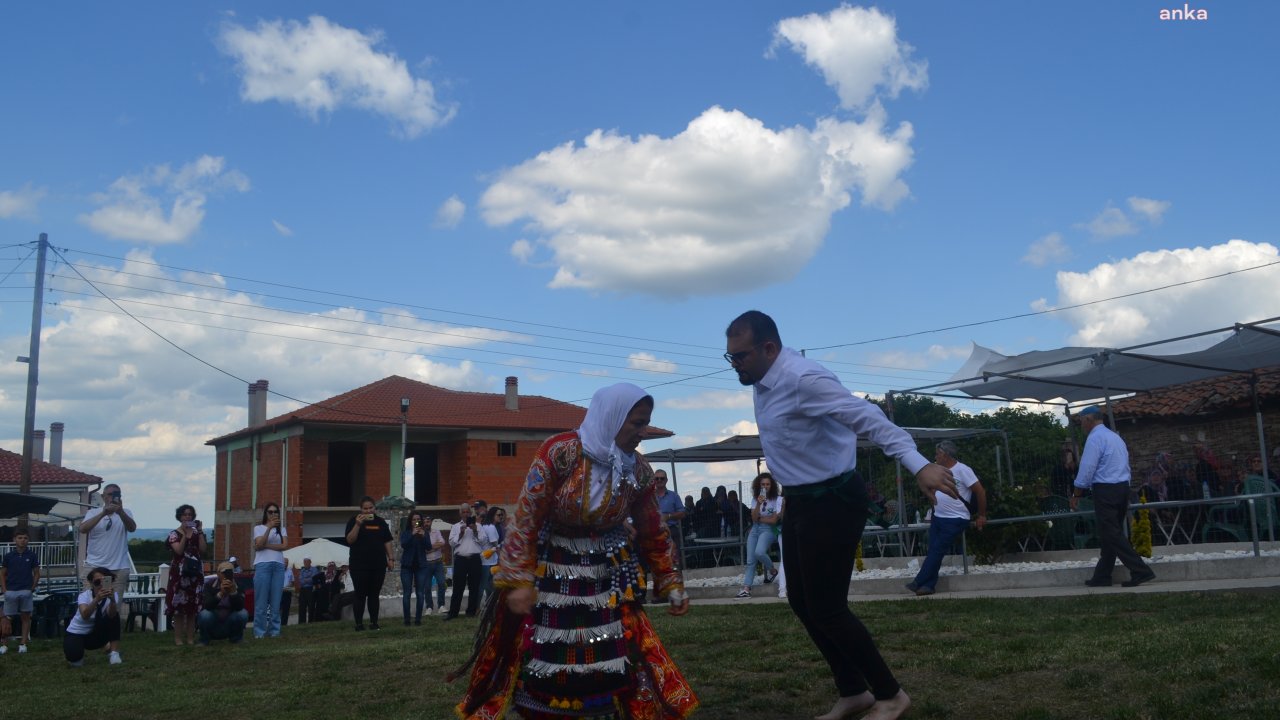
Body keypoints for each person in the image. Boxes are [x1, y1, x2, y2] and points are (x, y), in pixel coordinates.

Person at [725, 310, 956, 720]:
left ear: (769, 348)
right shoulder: (762, 381)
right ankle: (854, 691)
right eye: (731, 357)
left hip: (833, 498)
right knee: (801, 600)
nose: (735, 365)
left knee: (827, 606)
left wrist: (918, 464)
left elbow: (866, 417)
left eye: (740, 356)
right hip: (800, 499)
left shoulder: (803, 378)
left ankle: (890, 695)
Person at [453, 382, 697, 720]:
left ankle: (600, 707)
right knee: (542, 642)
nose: (643, 432)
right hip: (552, 563)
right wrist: (520, 580)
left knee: (611, 640)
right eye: (637, 423)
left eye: (645, 423)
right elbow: (527, 515)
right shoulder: (560, 451)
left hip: (607, 568)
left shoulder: (637, 469)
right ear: (612, 418)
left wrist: (670, 580)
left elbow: (652, 527)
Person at [1071, 406, 1155, 588]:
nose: (1081, 426)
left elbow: (1087, 469)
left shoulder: (1094, 439)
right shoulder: (1115, 437)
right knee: (1111, 532)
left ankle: (1140, 570)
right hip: (1122, 487)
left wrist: (1076, 493)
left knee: (1112, 533)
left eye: (1081, 422)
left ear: (1088, 420)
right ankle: (1102, 576)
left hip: (1105, 490)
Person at [906, 441, 987, 597]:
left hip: (956, 518)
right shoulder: (939, 471)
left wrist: (982, 515)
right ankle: (928, 586)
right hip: (939, 517)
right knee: (933, 551)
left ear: (945, 454)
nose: (935, 456)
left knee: (937, 550)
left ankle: (918, 581)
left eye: (937, 453)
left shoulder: (963, 470)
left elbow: (980, 491)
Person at [79, 484, 136, 627]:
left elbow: (132, 528)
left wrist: (120, 511)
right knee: (90, 602)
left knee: (113, 606)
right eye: (109, 494)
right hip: (94, 566)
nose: (112, 497)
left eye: (116, 494)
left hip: (118, 567)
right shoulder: (93, 513)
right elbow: (83, 529)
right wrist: (103, 513)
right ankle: (89, 634)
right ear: (103, 496)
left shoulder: (126, 512)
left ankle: (111, 640)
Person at [345, 496, 394, 631]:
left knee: (374, 594)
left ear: (375, 508)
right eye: (365, 509)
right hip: (359, 565)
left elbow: (387, 541)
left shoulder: (381, 522)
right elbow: (350, 540)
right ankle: (359, 624)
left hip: (378, 564)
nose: (368, 511)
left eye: (370, 508)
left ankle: (374, 622)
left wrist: (391, 559)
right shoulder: (353, 521)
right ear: (361, 510)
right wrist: (357, 525)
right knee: (360, 594)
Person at [165, 504, 207, 646]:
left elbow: (203, 549)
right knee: (178, 609)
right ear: (180, 517)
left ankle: (190, 638)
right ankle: (178, 638)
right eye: (184, 514)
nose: (187, 517)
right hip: (180, 574)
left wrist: (199, 532)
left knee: (192, 608)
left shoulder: (196, 533)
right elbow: (178, 551)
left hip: (194, 573)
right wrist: (185, 536)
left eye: (190, 514)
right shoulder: (174, 534)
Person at [63, 567, 123, 667]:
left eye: (105, 581)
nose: (100, 585)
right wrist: (96, 599)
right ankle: (103, 646)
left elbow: (111, 615)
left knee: (115, 615)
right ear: (91, 583)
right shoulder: (84, 596)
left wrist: (112, 601)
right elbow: (85, 615)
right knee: (75, 660)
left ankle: (114, 653)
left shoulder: (113, 596)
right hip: (78, 633)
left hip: (96, 632)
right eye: (97, 582)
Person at [737, 471, 784, 598]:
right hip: (755, 529)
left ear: (772, 485)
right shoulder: (755, 499)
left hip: (769, 530)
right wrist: (758, 503)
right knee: (750, 560)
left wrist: (759, 518)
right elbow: (753, 518)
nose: (765, 487)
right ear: (759, 485)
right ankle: (746, 588)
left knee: (759, 552)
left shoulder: (777, 500)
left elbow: (774, 520)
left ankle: (772, 570)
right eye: (763, 484)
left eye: (768, 484)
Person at [1, 528, 41, 655]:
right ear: (14, 540)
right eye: (20, 538)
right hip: (11, 591)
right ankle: (4, 644)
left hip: (26, 590)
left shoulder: (32, 555)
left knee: (25, 617)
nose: (22, 540)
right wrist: (4, 589)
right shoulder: (8, 556)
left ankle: (23, 643)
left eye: (25, 538)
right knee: (7, 618)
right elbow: (2, 573)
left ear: (28, 540)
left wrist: (32, 588)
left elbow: (36, 573)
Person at [252, 502, 287, 639]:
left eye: (275, 512)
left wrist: (265, 545)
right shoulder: (258, 528)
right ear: (266, 514)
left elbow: (284, 545)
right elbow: (258, 544)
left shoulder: (282, 529)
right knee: (261, 601)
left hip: (278, 565)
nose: (273, 514)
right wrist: (269, 528)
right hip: (263, 565)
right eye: (270, 512)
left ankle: (274, 631)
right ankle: (259, 632)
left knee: (276, 601)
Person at [445, 502, 484, 620]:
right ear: (460, 513)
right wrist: (461, 534)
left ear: (471, 513)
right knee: (458, 587)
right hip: (461, 559)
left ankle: (471, 612)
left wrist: (475, 530)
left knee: (474, 587)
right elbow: (451, 543)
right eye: (463, 512)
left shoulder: (478, 526)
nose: (466, 514)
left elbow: (483, 541)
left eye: (467, 512)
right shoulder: (456, 526)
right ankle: (453, 613)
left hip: (475, 559)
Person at [197, 561, 248, 645]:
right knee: (204, 614)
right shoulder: (209, 585)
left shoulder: (238, 585)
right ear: (218, 573)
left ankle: (236, 638)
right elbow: (207, 606)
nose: (226, 575)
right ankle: (204, 640)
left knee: (243, 613)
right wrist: (220, 594)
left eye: (229, 572)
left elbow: (240, 607)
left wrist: (233, 593)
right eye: (224, 572)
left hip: (230, 621)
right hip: (214, 620)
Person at [400, 511, 433, 625]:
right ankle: (407, 620)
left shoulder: (424, 533)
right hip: (406, 567)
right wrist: (412, 534)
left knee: (420, 593)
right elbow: (403, 544)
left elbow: (429, 547)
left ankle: (418, 619)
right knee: (407, 593)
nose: (415, 522)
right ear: (410, 521)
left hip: (421, 566)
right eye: (413, 519)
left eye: (418, 519)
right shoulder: (406, 532)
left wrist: (423, 536)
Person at [653, 469, 687, 569]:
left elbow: (682, 513)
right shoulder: (649, 497)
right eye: (657, 478)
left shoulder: (674, 496)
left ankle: (677, 584)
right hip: (654, 533)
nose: (659, 480)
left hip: (671, 531)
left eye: (662, 478)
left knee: (674, 561)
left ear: (666, 480)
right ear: (653, 480)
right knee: (657, 562)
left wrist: (668, 516)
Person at [422, 516, 448, 615]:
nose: (426, 523)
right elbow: (421, 549)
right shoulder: (420, 534)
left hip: (438, 563)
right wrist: (435, 547)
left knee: (441, 584)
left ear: (431, 522)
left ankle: (441, 606)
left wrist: (429, 548)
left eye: (428, 521)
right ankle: (429, 607)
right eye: (424, 522)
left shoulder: (436, 532)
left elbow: (442, 543)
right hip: (426, 564)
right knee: (427, 587)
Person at [478, 508, 502, 603]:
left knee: (486, 586)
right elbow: (496, 546)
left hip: (485, 560)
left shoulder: (486, 526)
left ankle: (483, 606)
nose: (501, 517)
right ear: (492, 516)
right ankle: (485, 606)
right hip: (489, 561)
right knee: (489, 586)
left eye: (501, 515)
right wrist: (501, 558)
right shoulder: (491, 528)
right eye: (498, 515)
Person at [297, 558, 318, 624]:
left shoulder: (314, 569)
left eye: (307, 562)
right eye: (304, 562)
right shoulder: (302, 570)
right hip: (303, 590)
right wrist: (308, 579)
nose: (305, 563)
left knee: (311, 606)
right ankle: (301, 622)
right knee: (302, 606)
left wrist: (305, 579)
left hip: (311, 589)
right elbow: (300, 580)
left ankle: (311, 622)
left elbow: (313, 579)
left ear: (310, 562)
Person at [280, 561, 297, 626]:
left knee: (286, 609)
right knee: (279, 609)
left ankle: (284, 624)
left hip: (287, 592)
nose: (285, 564)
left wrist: (290, 585)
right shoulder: (278, 571)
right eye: (284, 562)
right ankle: (277, 624)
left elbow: (292, 581)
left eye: (287, 562)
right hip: (280, 592)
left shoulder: (290, 571)